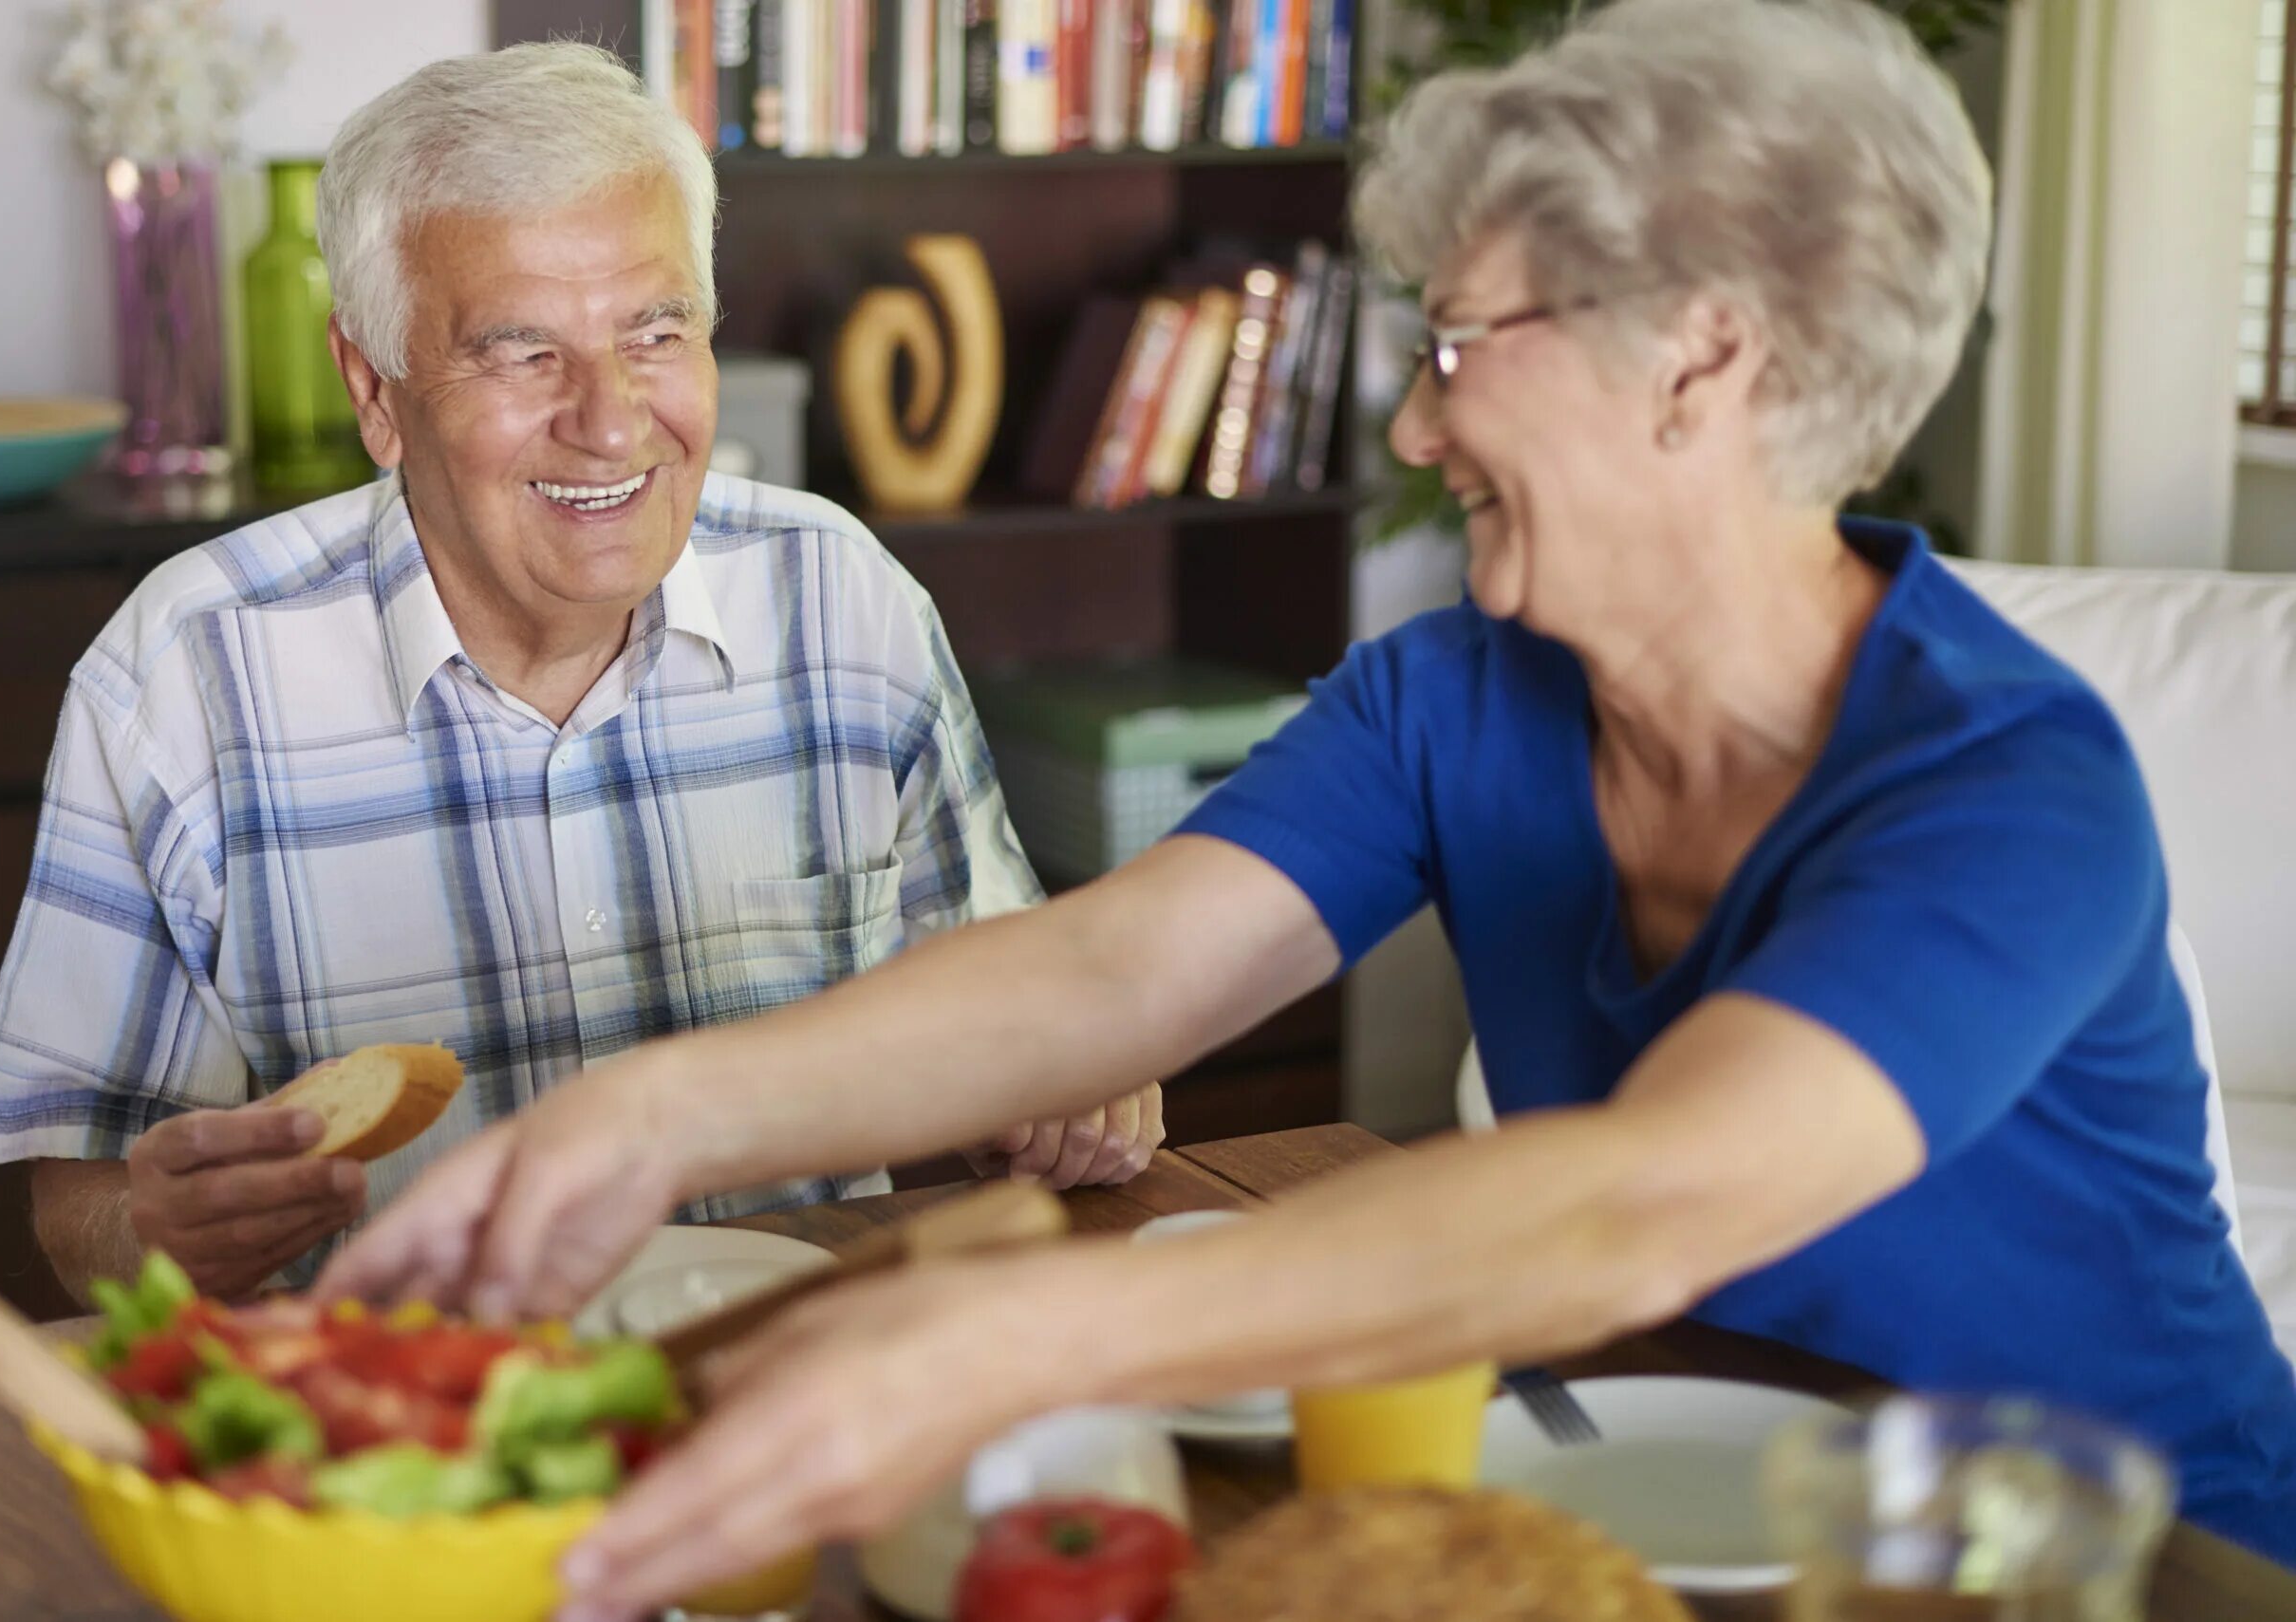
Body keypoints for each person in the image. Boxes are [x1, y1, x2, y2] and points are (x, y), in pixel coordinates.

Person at [330, 0, 2296, 1609]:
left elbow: (1641, 1199)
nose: (1416, 424)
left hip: (2120, 1573)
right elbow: (1108, 974)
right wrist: (650, 1112)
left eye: (1454, 350)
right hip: (1674, 1540)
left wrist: (1014, 1341)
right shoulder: (1456, 692)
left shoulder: (2000, 788)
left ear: (1699, 360)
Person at [0, 43, 1161, 1304]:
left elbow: (1014, 1020)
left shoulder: (844, 597)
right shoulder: (181, 676)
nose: (613, 419)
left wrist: (1072, 1076)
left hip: (791, 1387)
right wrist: (161, 1231)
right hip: (405, 1434)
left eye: (654, 332)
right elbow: (77, 1200)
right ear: (375, 388)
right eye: (523, 354)